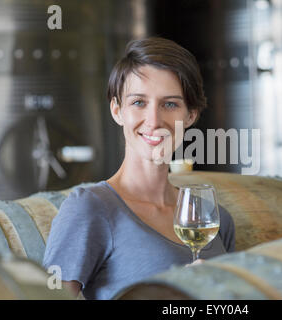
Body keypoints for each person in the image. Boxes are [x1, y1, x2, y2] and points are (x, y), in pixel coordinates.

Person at [42, 37, 236, 300]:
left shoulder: (213, 219)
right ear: (117, 110)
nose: (154, 120)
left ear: (191, 115)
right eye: (138, 102)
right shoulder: (90, 208)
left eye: (170, 104)